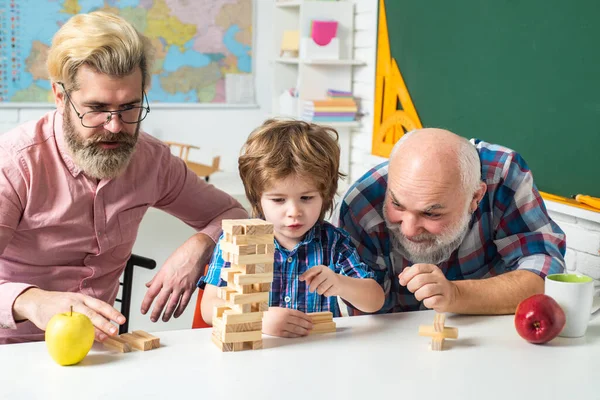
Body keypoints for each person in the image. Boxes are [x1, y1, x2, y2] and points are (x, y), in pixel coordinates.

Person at [0, 11, 247, 344]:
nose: (115, 126)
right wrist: (31, 301)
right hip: (12, 351)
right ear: (61, 97)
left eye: (129, 107)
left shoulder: (152, 160)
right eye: (97, 108)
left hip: (102, 348)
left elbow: (233, 215)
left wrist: (199, 247)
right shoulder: (15, 165)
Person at [336, 128, 565, 315]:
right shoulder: (361, 205)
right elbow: (365, 318)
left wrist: (456, 294)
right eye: (397, 205)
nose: (408, 230)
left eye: (431, 214)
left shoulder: (504, 176)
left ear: (476, 197)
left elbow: (546, 276)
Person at [199, 119, 384, 337]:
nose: (294, 211)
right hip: (258, 353)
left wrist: (341, 284)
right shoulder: (238, 241)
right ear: (258, 199)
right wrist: (258, 319)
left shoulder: (334, 242)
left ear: (324, 196)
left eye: (306, 197)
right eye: (278, 200)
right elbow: (208, 307)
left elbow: (375, 301)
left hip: (318, 354)